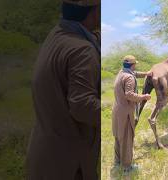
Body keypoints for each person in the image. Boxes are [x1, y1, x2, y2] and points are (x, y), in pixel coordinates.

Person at [26, 1, 101, 180]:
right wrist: (115, 110)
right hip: (70, 164)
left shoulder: (58, 34)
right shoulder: (82, 51)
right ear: (94, 12)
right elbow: (82, 107)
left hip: (46, 155)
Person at [112, 55, 152, 174]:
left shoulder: (121, 73)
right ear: (133, 65)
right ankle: (127, 167)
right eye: (135, 64)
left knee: (119, 136)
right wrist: (144, 97)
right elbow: (129, 94)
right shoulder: (129, 78)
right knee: (127, 138)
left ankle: (118, 161)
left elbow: (135, 74)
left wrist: (146, 73)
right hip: (126, 112)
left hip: (117, 110)